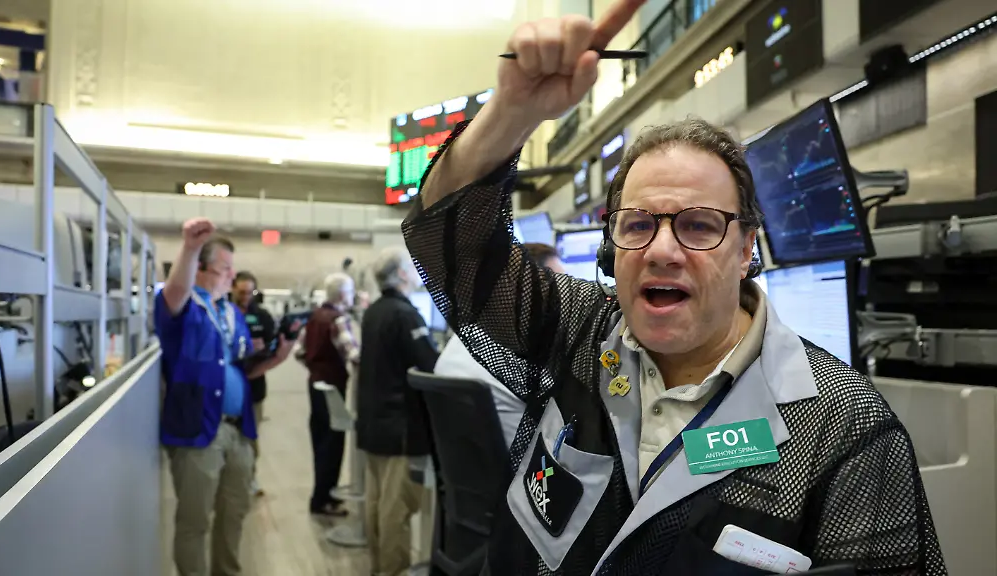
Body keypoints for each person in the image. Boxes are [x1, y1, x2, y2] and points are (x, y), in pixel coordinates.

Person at [400, 6, 945, 576]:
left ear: (745, 251)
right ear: (613, 249)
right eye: (638, 225)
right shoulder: (579, 332)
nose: (661, 250)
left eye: (700, 225)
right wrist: (512, 111)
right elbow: (448, 243)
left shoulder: (844, 428)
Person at [156, 218, 297, 576]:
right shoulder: (186, 308)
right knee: (195, 521)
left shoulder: (231, 313)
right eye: (225, 268)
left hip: (239, 430)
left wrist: (277, 356)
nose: (232, 276)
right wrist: (188, 247)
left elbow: (242, 368)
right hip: (199, 433)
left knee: (234, 514)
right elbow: (174, 294)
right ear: (201, 269)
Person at [356, 247, 440, 576]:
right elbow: (431, 365)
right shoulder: (405, 315)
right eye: (412, 267)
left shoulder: (375, 310)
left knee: (377, 504)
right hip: (399, 427)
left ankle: (380, 567)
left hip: (375, 423)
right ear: (402, 274)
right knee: (396, 509)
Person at [434, 242, 565, 450]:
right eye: (559, 286)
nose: (566, 297)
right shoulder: (517, 354)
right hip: (531, 475)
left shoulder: (461, 339)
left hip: (475, 474)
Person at [304, 272, 360, 516]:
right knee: (333, 442)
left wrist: (316, 366)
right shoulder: (338, 319)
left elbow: (299, 351)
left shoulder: (314, 317)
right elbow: (353, 355)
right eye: (351, 292)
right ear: (342, 294)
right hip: (333, 386)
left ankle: (321, 495)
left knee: (319, 440)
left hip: (314, 384)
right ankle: (324, 499)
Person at [231, 270, 276, 497]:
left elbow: (274, 346)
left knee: (250, 436)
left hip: (254, 388)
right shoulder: (224, 313)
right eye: (241, 292)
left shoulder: (263, 317)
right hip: (228, 388)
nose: (246, 296)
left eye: (250, 292)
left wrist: (264, 350)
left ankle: (249, 478)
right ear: (232, 289)